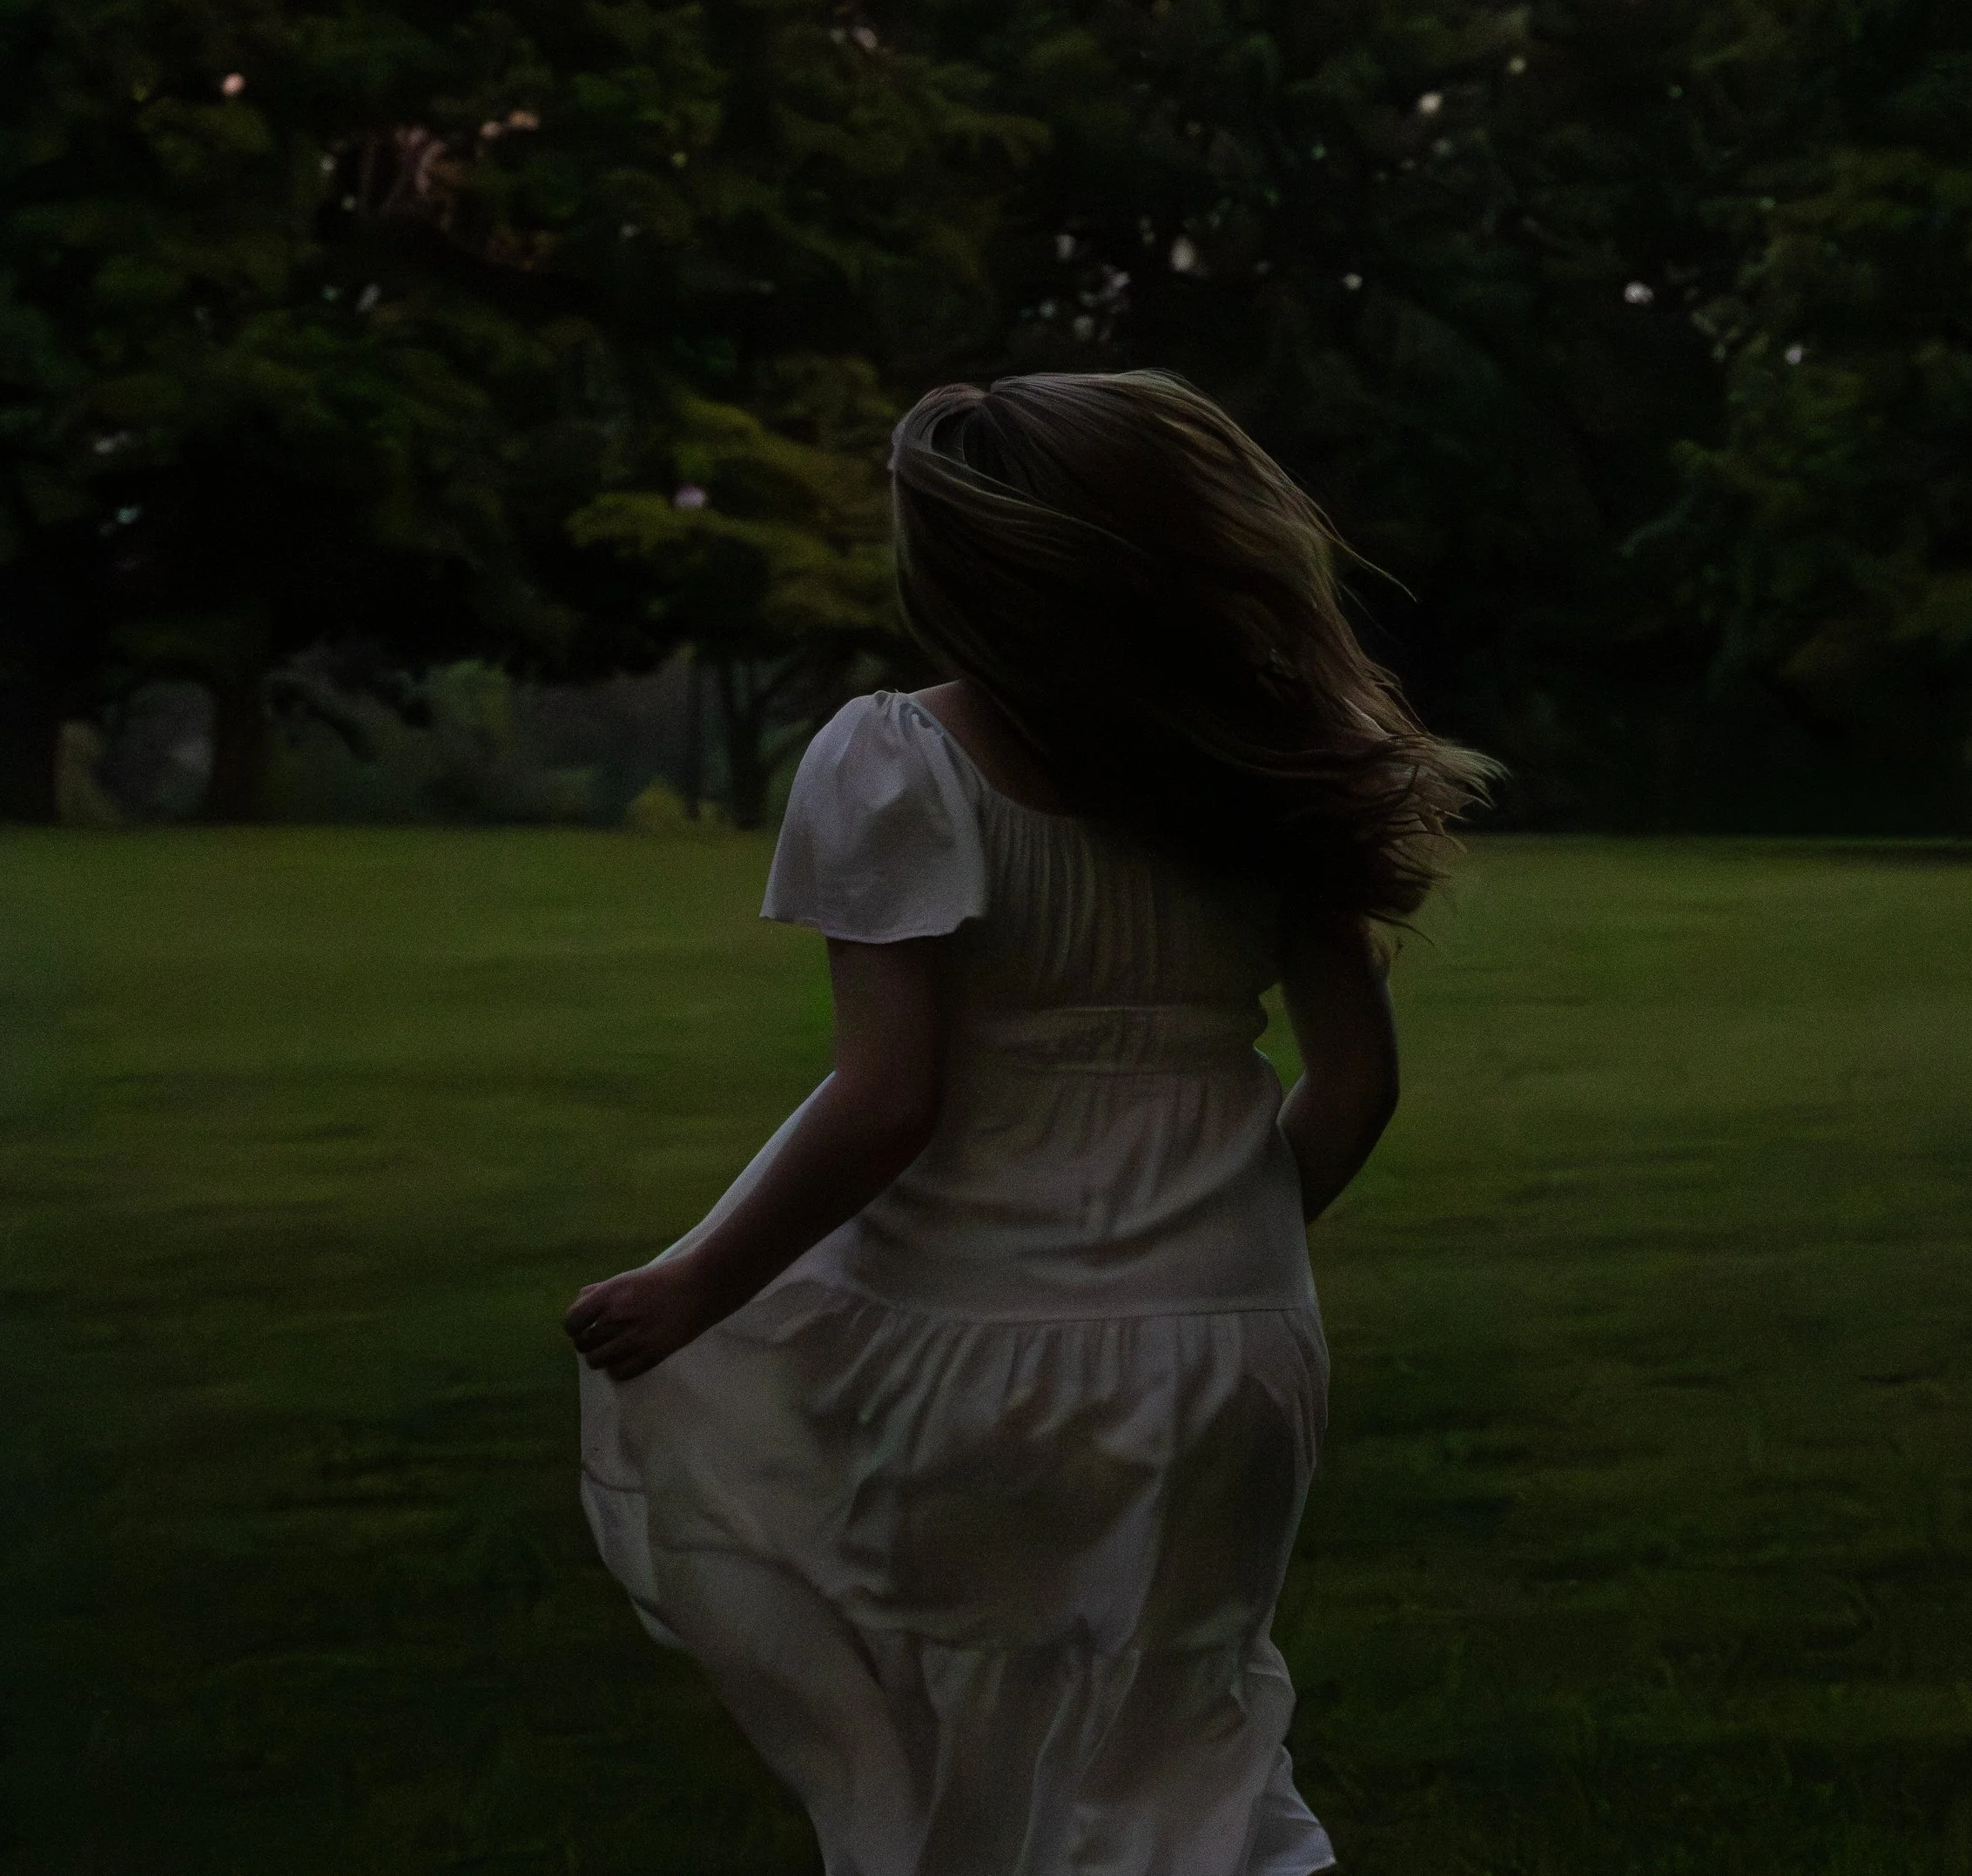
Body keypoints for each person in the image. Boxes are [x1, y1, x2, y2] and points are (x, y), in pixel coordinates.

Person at [568, 370, 1491, 1876]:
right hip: (1235, 1351)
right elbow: (1358, 1081)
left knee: (983, 1762)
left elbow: (888, 1099)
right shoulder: (1278, 764)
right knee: (1185, 1739)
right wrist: (1196, 1262)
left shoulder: (897, 763)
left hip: (976, 1355)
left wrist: (696, 1281)